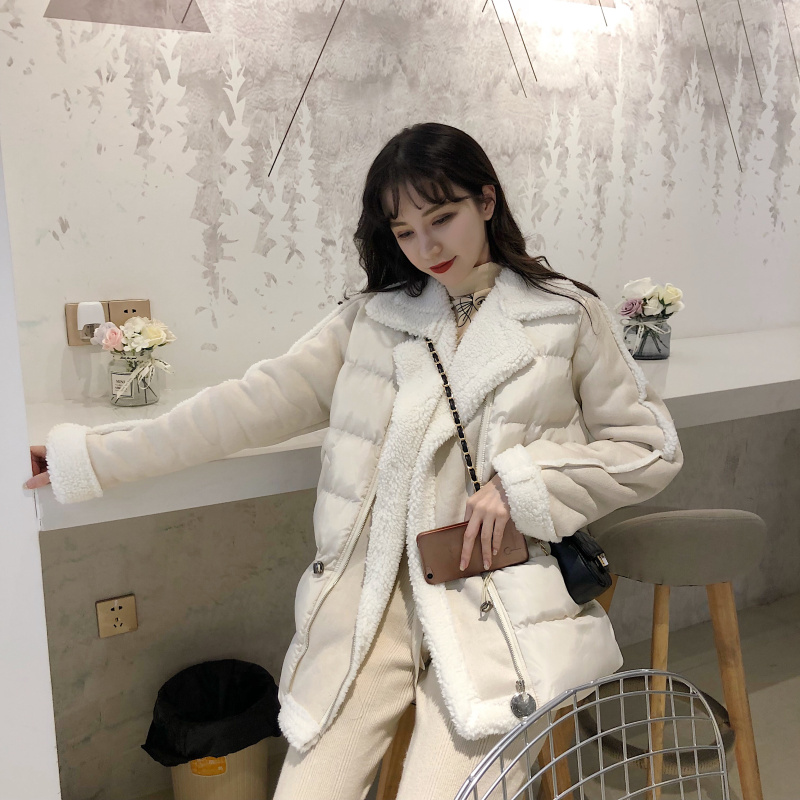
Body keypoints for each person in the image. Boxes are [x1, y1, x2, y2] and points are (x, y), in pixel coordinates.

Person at [26, 122, 683, 799]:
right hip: (372, 608)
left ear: (487, 200)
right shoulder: (373, 321)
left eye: (442, 218)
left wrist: (527, 483)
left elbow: (649, 447)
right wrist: (93, 458)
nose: (427, 248)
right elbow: (242, 407)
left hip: (499, 605)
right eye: (405, 231)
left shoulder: (566, 316)